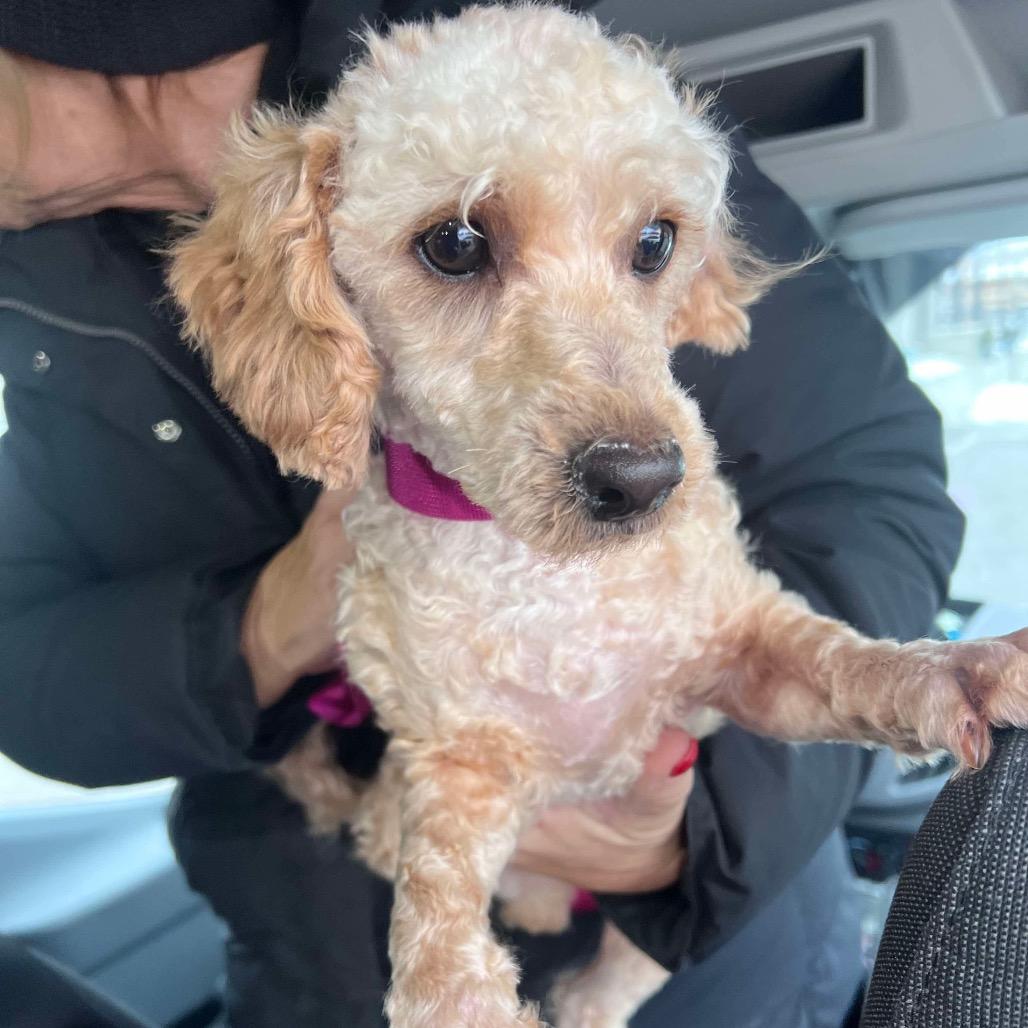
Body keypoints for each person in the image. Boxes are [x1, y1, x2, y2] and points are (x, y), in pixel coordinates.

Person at [0, 2, 963, 1025]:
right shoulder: (29, 275)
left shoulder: (547, 103)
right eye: (459, 248)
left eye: (647, 250)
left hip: (697, 952)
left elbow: (875, 480)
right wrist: (266, 623)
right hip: (315, 949)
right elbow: (27, 669)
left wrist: (695, 826)